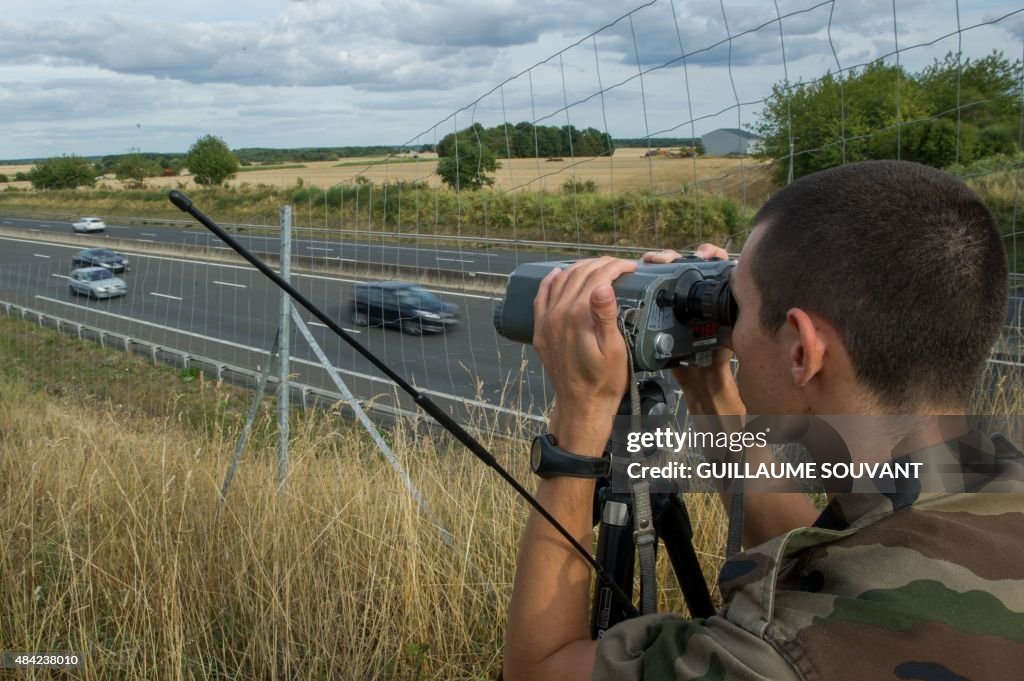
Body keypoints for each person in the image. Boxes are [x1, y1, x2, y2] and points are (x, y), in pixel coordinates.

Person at [503, 160, 1024, 681]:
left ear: (802, 352)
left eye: (740, 306)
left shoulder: (781, 654)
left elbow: (538, 669)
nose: (733, 328)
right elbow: (838, 563)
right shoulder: (998, 479)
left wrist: (580, 417)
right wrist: (711, 393)